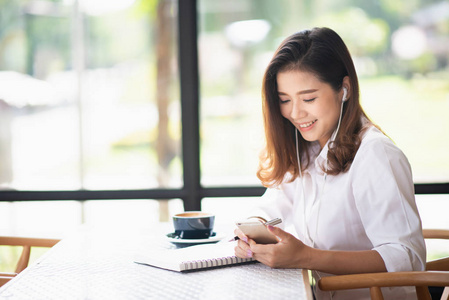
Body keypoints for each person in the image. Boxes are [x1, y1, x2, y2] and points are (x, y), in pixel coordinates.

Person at [234, 27, 426, 299]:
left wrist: (308, 257)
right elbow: (275, 202)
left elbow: (406, 257)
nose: (295, 113)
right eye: (284, 100)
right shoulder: (309, 149)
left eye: (309, 98)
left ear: (344, 89)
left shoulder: (375, 154)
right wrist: (252, 229)